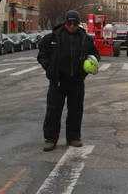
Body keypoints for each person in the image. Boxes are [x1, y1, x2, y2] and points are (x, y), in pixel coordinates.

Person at [37, 10, 101, 151]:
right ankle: (50, 139)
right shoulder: (52, 38)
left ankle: (73, 137)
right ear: (64, 22)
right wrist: (48, 67)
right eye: (69, 23)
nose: (72, 26)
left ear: (78, 24)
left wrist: (90, 64)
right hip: (57, 81)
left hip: (77, 81)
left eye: (75, 23)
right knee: (53, 111)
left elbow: (95, 54)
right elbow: (42, 54)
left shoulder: (85, 39)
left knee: (76, 111)